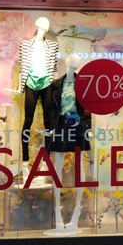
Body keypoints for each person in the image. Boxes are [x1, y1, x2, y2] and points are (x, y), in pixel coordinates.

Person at [10, 16, 59, 182]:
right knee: (28, 121)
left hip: (47, 84)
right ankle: (25, 162)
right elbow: (22, 67)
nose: (45, 27)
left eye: (47, 25)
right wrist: (20, 87)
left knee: (48, 124)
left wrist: (55, 88)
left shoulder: (52, 45)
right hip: (30, 83)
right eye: (43, 24)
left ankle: (45, 161)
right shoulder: (25, 45)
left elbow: (54, 68)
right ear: (37, 25)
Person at [46, 53, 90, 234]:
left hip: (78, 125)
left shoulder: (83, 84)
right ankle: (57, 211)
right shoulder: (56, 84)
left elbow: (88, 108)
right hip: (61, 124)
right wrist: (50, 128)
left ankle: (77, 212)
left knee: (79, 165)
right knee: (58, 166)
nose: (74, 62)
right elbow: (50, 109)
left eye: (77, 60)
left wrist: (88, 128)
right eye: (72, 59)